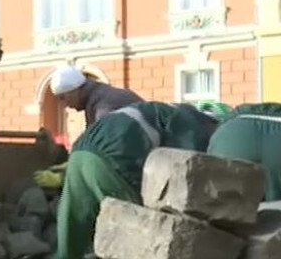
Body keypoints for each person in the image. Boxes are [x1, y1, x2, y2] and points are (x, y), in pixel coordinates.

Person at [53, 100, 223, 259]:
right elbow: (187, 171)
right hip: (115, 157)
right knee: (136, 235)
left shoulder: (160, 111)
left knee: (72, 230)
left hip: (82, 150)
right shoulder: (192, 126)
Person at [33, 64, 144, 189]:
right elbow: (91, 143)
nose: (64, 104)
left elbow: (104, 155)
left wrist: (65, 178)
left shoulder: (104, 106)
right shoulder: (98, 98)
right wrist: (73, 163)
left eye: (63, 97)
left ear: (75, 90)